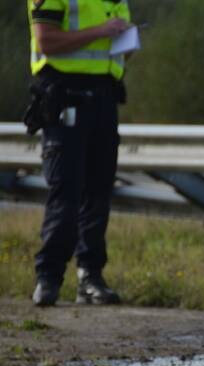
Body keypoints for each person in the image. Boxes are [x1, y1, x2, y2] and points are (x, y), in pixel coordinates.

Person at [26, 0, 133, 306]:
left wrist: (126, 42)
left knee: (99, 190)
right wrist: (102, 31)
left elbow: (108, 49)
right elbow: (46, 40)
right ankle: (48, 277)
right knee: (67, 190)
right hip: (64, 96)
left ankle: (90, 276)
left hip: (104, 98)